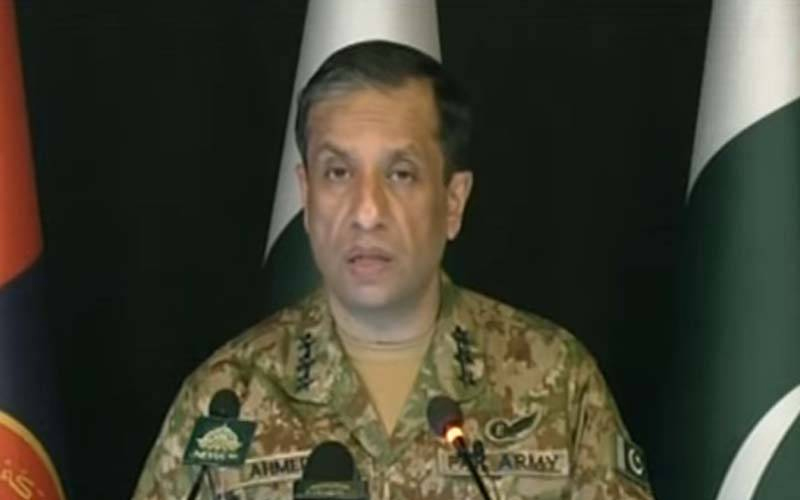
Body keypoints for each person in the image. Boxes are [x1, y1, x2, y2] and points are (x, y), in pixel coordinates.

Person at [132, 40, 654, 500]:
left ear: (453, 201)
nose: (367, 211)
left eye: (401, 174)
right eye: (338, 172)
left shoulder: (556, 380)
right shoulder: (226, 397)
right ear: (307, 197)